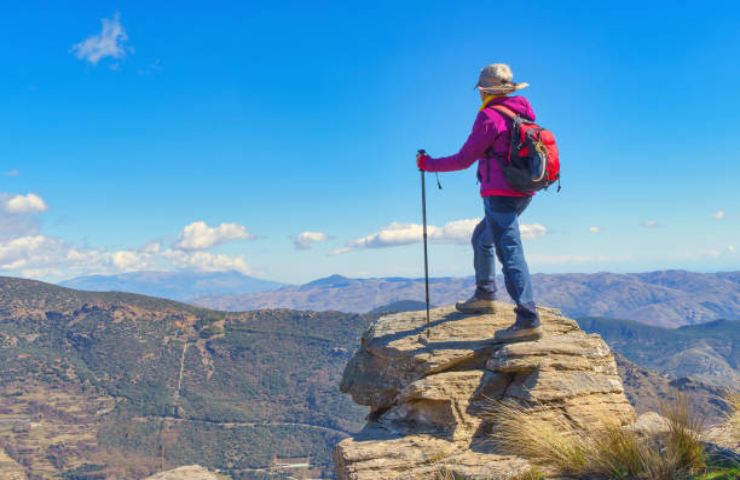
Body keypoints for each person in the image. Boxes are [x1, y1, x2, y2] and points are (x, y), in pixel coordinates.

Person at [416, 63, 542, 342]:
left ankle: (528, 319)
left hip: (500, 192)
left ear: (484, 90)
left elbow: (463, 159)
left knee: (508, 250)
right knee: (482, 237)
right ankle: (486, 295)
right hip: (524, 191)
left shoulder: (490, 116)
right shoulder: (521, 114)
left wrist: (428, 164)